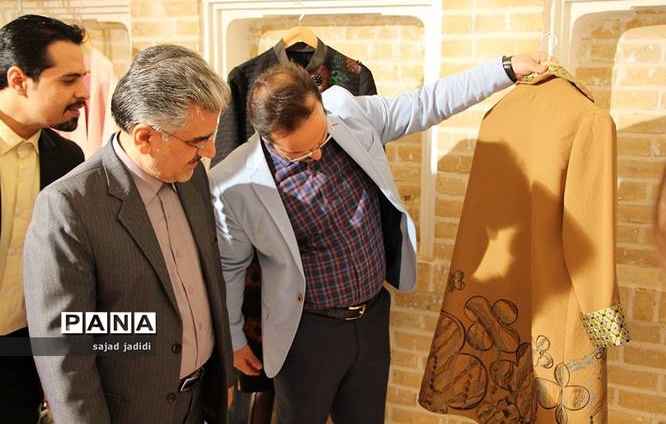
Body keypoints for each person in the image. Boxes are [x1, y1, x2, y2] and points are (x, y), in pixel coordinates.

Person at [208, 52, 548, 423]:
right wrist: (234, 340)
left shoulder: (348, 113)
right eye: (300, 154)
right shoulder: (233, 183)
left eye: (321, 137)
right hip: (305, 333)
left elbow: (426, 103)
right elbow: (229, 267)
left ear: (320, 101)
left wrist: (504, 69)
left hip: (372, 318)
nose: (317, 153)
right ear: (268, 138)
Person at [23, 44, 235, 424]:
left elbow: (208, 281)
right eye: (197, 140)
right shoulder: (69, 206)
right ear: (145, 138)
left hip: (201, 399)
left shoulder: (192, 177)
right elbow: (64, 348)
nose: (210, 151)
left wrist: (221, 372)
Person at [0, 14, 87, 423]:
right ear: (19, 80)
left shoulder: (68, 158)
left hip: (22, 359)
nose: (83, 92)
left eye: (83, 79)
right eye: (69, 80)